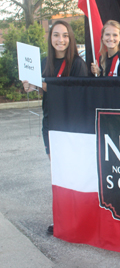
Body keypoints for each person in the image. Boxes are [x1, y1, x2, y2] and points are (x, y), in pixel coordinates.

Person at [23, 20, 88, 235]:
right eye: (56, 35)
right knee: (57, 174)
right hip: (50, 123)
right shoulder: (44, 62)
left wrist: (43, 84)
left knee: (74, 174)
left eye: (65, 36)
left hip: (71, 126)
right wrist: (31, 86)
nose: (61, 40)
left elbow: (76, 94)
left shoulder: (78, 64)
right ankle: (61, 220)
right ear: (50, 39)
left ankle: (79, 220)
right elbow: (44, 92)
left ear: (71, 39)